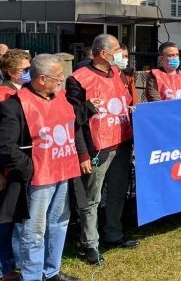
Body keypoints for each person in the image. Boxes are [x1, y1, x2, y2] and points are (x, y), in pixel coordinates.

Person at [0, 54, 81, 281]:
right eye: (58, 75)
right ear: (42, 79)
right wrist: (29, 168)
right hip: (38, 179)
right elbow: (5, 146)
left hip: (63, 171)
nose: (62, 79)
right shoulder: (14, 105)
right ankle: (32, 276)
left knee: (59, 222)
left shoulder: (60, 98)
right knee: (34, 230)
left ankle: (51, 271)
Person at [66, 34, 138, 266]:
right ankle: (90, 244)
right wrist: (83, 153)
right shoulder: (78, 79)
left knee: (117, 192)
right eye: (116, 49)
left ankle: (113, 233)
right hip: (97, 148)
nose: (121, 54)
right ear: (104, 53)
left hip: (121, 143)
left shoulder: (117, 73)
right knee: (91, 198)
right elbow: (73, 119)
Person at [0, 49, 31, 281]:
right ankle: (4, 267)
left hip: (26, 165)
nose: (29, 72)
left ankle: (20, 261)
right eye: (25, 69)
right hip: (7, 167)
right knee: (5, 219)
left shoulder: (29, 91)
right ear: (11, 72)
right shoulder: (3, 95)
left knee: (20, 217)